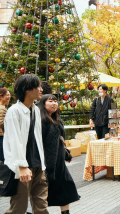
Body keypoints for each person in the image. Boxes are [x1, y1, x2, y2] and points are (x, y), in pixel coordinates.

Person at [3, 75, 48, 214]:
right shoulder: (14, 111)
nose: (41, 89)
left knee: (41, 207)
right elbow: (13, 140)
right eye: (38, 86)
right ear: (28, 89)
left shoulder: (35, 110)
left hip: (38, 166)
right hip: (22, 168)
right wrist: (22, 166)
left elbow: (37, 139)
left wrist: (42, 164)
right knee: (19, 208)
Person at [39, 94, 79, 214]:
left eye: (55, 101)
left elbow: (60, 140)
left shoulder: (56, 119)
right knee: (41, 193)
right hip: (48, 164)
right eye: (50, 101)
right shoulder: (41, 122)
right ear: (43, 104)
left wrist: (67, 154)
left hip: (60, 163)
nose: (54, 103)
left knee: (66, 188)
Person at [0, 88, 10, 161]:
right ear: (1, 96)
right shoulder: (2, 108)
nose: (9, 97)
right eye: (7, 95)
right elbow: (1, 122)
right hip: (1, 136)